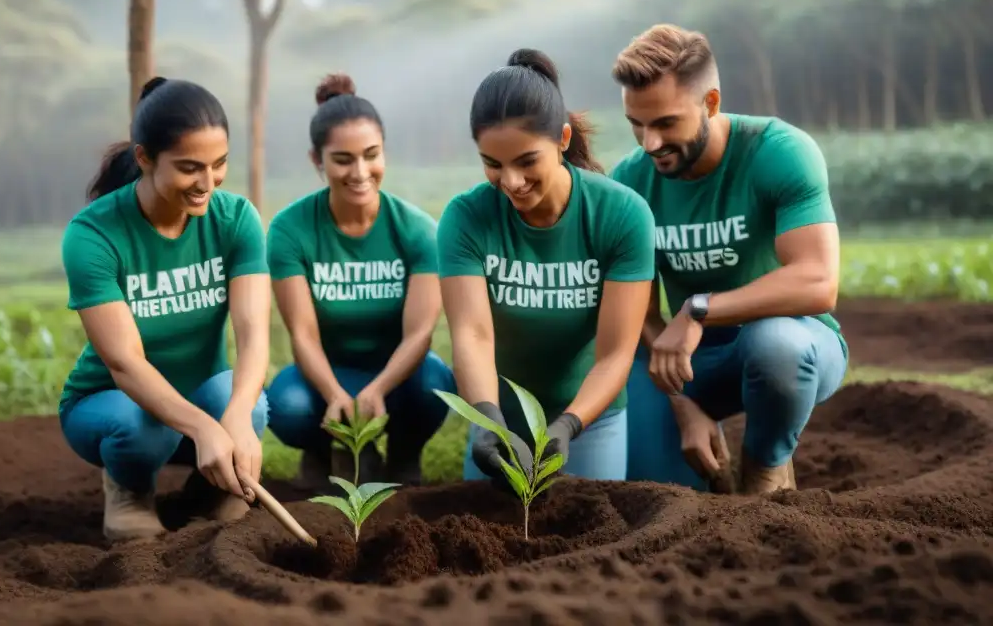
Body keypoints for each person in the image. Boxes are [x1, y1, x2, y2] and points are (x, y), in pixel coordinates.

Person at [608, 24, 848, 495]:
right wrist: (681, 401)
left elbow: (818, 282)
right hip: (685, 365)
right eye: (636, 124)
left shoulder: (778, 152)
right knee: (660, 490)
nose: (649, 143)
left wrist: (699, 309)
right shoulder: (630, 182)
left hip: (791, 345)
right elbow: (635, 307)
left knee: (776, 346)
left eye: (665, 124)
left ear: (711, 103)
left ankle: (766, 468)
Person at [59, 76, 271, 543]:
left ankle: (210, 494)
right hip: (111, 402)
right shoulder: (93, 235)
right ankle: (129, 490)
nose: (207, 183)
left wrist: (235, 414)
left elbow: (254, 334)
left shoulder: (236, 219)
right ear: (144, 158)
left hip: (200, 390)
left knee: (252, 409)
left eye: (219, 165)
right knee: (143, 428)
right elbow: (125, 363)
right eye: (189, 168)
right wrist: (201, 426)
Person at [436, 49, 657, 485]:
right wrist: (485, 422)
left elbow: (614, 354)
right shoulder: (465, 218)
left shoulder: (621, 214)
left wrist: (568, 425)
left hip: (589, 419)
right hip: (499, 418)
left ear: (562, 138)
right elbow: (473, 335)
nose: (511, 183)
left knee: (594, 538)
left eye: (526, 161)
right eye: (492, 164)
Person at [264, 73, 455, 488]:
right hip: (325, 375)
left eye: (371, 155)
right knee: (285, 405)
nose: (360, 172)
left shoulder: (418, 230)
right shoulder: (290, 230)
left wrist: (380, 388)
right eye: (343, 159)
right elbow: (303, 334)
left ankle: (405, 458)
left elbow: (420, 333)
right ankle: (323, 454)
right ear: (317, 161)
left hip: (400, 376)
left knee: (436, 385)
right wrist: (334, 394)